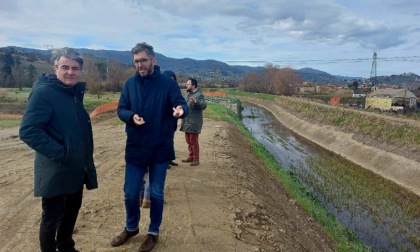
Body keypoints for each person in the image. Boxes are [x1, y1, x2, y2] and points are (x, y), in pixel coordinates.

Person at [111, 42, 188, 252]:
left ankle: (153, 232)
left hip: (160, 147)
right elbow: (121, 109)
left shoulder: (167, 84)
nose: (140, 65)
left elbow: (180, 102)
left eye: (143, 60)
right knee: (130, 192)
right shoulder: (129, 84)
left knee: (156, 193)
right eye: (136, 61)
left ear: (153, 60)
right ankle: (131, 227)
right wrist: (130, 117)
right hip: (136, 146)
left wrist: (181, 110)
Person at [19, 47, 98, 252]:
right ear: (55, 69)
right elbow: (29, 130)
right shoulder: (44, 93)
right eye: (65, 67)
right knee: (52, 218)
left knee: (71, 212)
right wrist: (62, 154)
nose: (70, 72)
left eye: (74, 68)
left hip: (75, 168)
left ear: (80, 70)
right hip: (56, 169)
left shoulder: (72, 93)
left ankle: (65, 247)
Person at [180, 78, 207, 166]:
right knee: (188, 140)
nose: (186, 86)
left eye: (188, 84)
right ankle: (191, 156)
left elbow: (203, 105)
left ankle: (196, 159)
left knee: (193, 141)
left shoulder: (199, 95)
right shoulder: (189, 94)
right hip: (187, 121)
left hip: (194, 122)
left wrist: (197, 102)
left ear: (193, 86)